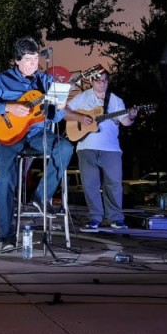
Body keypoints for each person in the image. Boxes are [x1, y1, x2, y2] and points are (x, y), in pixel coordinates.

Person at [0, 36, 74, 253]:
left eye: (36, 58)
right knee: (6, 182)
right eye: (28, 59)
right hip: (8, 137)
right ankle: (7, 236)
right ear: (17, 61)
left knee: (66, 147)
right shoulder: (2, 80)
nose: (34, 64)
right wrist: (8, 108)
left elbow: (55, 119)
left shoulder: (45, 81)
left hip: (37, 135)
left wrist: (59, 108)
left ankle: (41, 196)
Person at [65, 69, 137, 231]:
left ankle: (116, 218)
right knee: (90, 184)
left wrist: (131, 115)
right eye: (98, 80)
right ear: (92, 82)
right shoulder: (83, 97)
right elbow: (64, 111)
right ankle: (95, 218)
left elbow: (125, 122)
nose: (102, 83)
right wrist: (80, 118)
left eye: (105, 80)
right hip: (86, 146)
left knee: (114, 183)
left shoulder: (115, 100)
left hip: (111, 148)